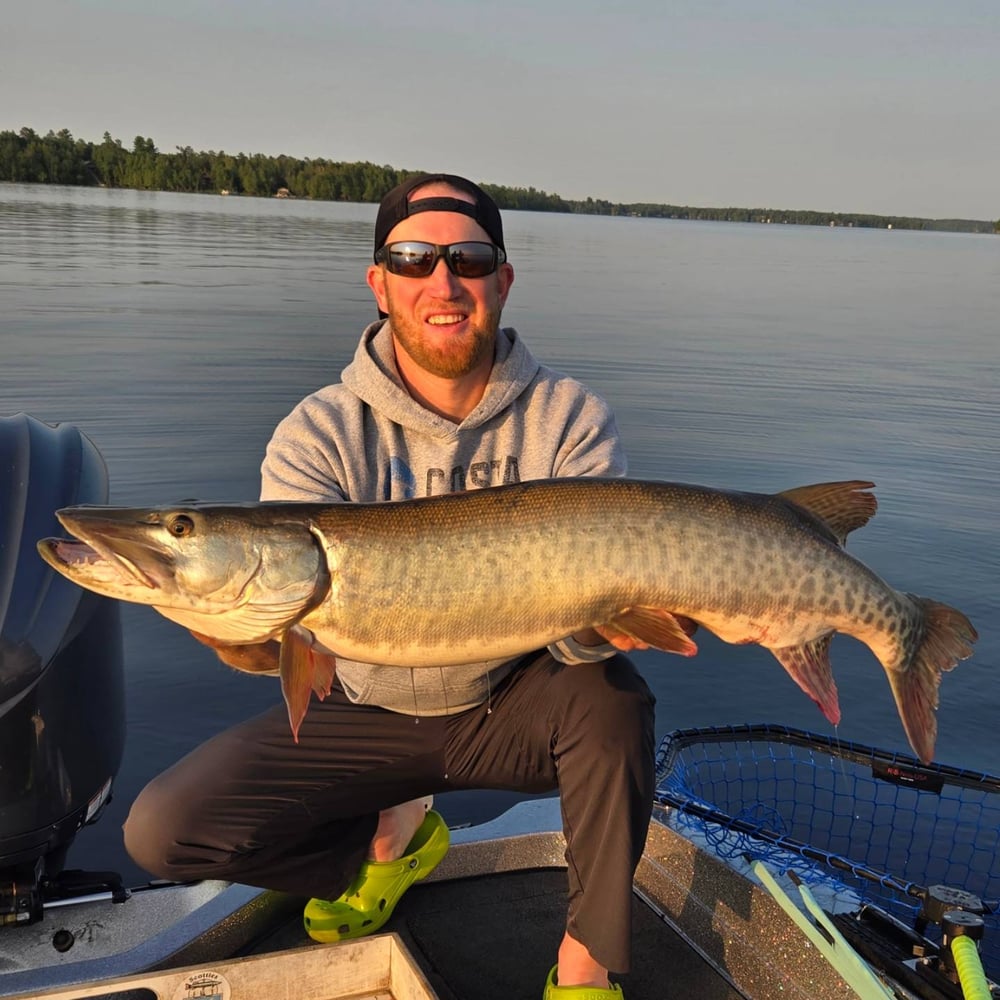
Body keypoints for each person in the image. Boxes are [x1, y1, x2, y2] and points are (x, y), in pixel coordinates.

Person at [123, 173, 657, 998]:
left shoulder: (568, 419)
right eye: (413, 259)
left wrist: (618, 619)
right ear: (380, 283)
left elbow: (580, 635)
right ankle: (387, 843)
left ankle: (586, 967)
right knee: (166, 830)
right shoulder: (318, 433)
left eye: (467, 259)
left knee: (614, 697)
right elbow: (285, 639)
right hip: (366, 713)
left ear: (501, 280)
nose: (442, 283)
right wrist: (234, 632)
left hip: (509, 708)